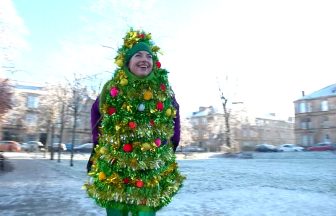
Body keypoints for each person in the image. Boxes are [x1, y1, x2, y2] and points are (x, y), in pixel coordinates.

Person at [84, 28, 185, 216]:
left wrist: (170, 146)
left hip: (149, 170)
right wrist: (97, 147)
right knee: (116, 210)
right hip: (115, 168)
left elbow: (175, 117)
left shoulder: (163, 90)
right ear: (128, 61)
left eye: (149, 56)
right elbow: (97, 114)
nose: (144, 59)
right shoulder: (112, 88)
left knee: (145, 211)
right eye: (138, 55)